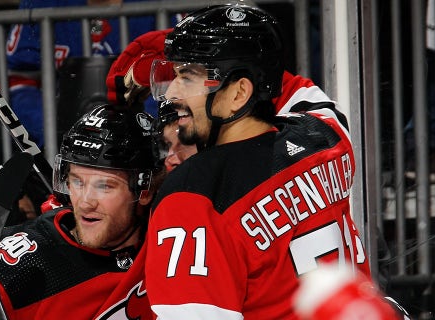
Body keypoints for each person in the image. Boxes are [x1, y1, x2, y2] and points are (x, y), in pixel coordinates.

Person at [145, 3, 374, 319]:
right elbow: (301, 92)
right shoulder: (326, 134)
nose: (170, 92)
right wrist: (256, 60)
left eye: (188, 76)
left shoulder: (191, 195)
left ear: (239, 93)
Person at [0, 104, 161, 319]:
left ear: (146, 190)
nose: (86, 203)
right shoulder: (26, 265)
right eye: (77, 182)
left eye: (104, 186)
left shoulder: (167, 241)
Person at [4, 0, 184, 148]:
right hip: (60, 145)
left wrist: (145, 128)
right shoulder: (39, 5)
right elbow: (19, 80)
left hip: (145, 143)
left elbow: (181, 78)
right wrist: (51, 130)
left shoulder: (166, 7)